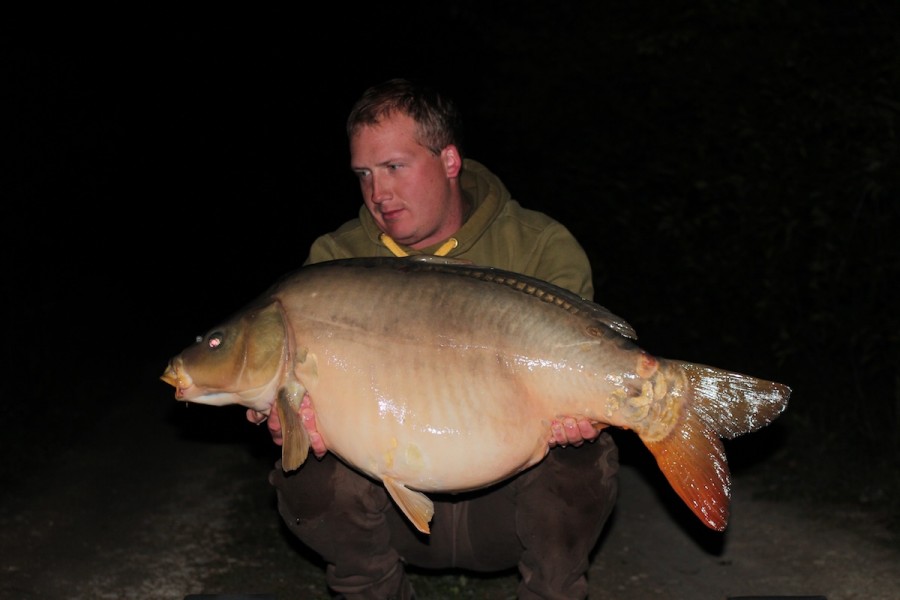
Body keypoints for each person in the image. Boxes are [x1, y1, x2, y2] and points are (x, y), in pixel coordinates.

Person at [247, 78, 619, 600]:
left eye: (395, 167)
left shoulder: (539, 247)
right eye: (364, 174)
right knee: (307, 466)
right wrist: (294, 425)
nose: (379, 194)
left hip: (506, 509)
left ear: (448, 160)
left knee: (587, 452)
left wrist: (577, 415)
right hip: (392, 514)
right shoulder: (335, 262)